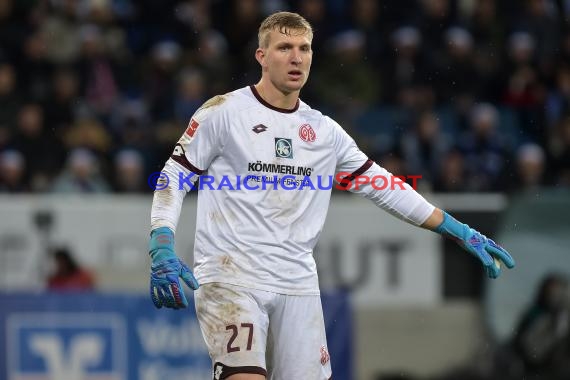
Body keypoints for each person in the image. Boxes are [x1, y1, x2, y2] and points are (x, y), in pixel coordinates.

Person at [147, 12, 515, 380]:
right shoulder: (223, 113)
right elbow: (173, 177)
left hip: (297, 282)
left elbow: (387, 187)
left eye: (304, 48)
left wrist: (457, 229)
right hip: (232, 277)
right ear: (261, 56)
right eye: (284, 48)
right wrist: (161, 241)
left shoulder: (325, 132)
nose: (296, 57)